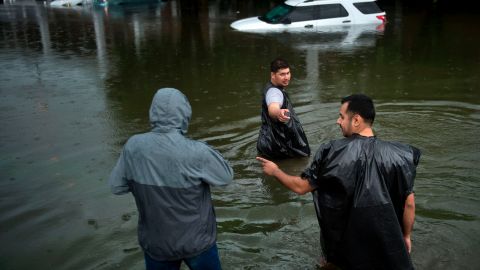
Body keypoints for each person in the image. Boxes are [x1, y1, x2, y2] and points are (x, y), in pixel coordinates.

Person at [256, 94, 421, 269]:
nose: (338, 121)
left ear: (356, 120)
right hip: (386, 246)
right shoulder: (400, 155)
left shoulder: (332, 151)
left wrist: (275, 171)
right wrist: (406, 236)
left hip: (345, 250)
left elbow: (301, 187)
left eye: (342, 117)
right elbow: (409, 203)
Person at [108, 88, 233, 270]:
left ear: (153, 112)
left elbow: (116, 186)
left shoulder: (133, 146)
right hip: (197, 243)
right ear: (185, 113)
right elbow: (226, 176)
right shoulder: (196, 151)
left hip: (157, 245)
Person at [256, 58, 310, 159]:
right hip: (279, 147)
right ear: (273, 75)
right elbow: (273, 107)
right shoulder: (274, 92)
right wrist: (278, 112)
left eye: (288, 73)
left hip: (268, 142)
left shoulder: (271, 88)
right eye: (282, 74)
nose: (286, 77)